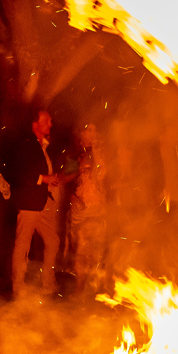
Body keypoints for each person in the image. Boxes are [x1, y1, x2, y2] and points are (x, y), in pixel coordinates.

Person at [9, 111, 63, 298]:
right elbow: (17, 172)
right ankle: (18, 287)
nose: (50, 124)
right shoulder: (26, 143)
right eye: (46, 121)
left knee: (53, 241)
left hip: (40, 203)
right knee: (23, 244)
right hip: (28, 203)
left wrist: (51, 181)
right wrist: (43, 179)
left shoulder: (42, 146)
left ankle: (48, 283)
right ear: (35, 124)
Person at [67, 124, 109, 295]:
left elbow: (103, 175)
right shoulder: (75, 154)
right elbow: (66, 178)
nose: (93, 133)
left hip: (97, 208)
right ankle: (80, 288)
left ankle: (94, 288)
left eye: (95, 129)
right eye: (89, 129)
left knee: (96, 250)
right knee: (81, 250)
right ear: (82, 132)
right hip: (80, 209)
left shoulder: (102, 151)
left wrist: (97, 154)